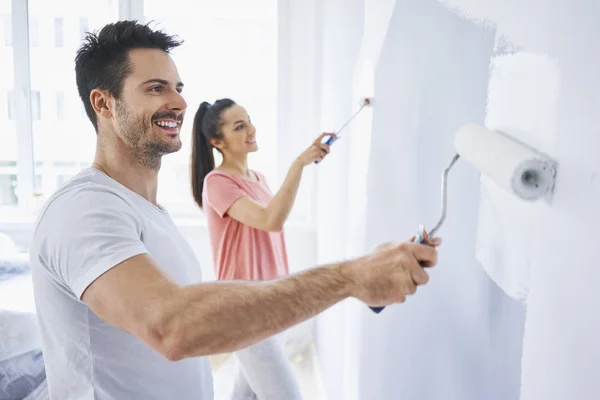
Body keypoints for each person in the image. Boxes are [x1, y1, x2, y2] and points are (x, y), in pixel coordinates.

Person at [29, 20, 441, 400]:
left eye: (177, 86)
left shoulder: (149, 211)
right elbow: (173, 327)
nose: (178, 101)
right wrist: (350, 277)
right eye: (156, 88)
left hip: (255, 305)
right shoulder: (84, 209)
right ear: (103, 103)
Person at [190, 99, 335, 399]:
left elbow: (272, 226)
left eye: (249, 121)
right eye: (239, 126)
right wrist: (299, 164)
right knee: (287, 394)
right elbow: (271, 221)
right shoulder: (217, 182)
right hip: (244, 307)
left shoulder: (260, 180)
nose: (251, 130)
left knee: (247, 395)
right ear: (218, 142)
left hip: (273, 301)